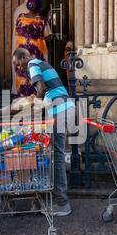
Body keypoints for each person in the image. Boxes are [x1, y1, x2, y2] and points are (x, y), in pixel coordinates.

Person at [12, 48, 74, 217]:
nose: (19, 68)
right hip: (62, 108)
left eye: (18, 63)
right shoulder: (40, 64)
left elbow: (41, 87)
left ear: (24, 57)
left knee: (56, 156)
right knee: (55, 155)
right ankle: (57, 199)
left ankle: (62, 203)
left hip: (59, 110)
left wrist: (35, 111)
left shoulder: (32, 63)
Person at [13, 0, 51, 97]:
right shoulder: (42, 21)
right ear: (39, 7)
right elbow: (47, 37)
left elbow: (17, 33)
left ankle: (23, 104)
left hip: (21, 56)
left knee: (23, 79)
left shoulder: (20, 19)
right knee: (37, 79)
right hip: (36, 57)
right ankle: (37, 105)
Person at [11, 0, 40, 95]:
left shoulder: (18, 10)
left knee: (20, 70)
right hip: (32, 47)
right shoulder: (35, 12)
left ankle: (18, 90)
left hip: (19, 44)